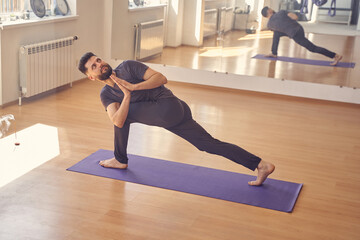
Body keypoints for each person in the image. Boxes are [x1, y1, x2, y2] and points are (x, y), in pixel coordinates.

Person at [78, 52, 275, 186]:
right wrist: (126, 96)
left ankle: (120, 159)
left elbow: (161, 78)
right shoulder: (106, 94)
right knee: (209, 144)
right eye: (93, 66)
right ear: (91, 77)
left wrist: (133, 88)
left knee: (123, 115)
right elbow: (117, 121)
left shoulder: (128, 68)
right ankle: (260, 164)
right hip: (176, 116)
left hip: (169, 107)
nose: (100, 64)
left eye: (99, 60)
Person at [261, 6, 342, 65]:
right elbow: (295, 17)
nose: (272, 8)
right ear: (269, 11)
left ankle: (335, 56)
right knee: (276, 34)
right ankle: (274, 53)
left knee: (312, 48)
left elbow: (279, 29)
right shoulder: (281, 12)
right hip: (299, 29)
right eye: (270, 8)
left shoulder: (269, 25)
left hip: (295, 34)